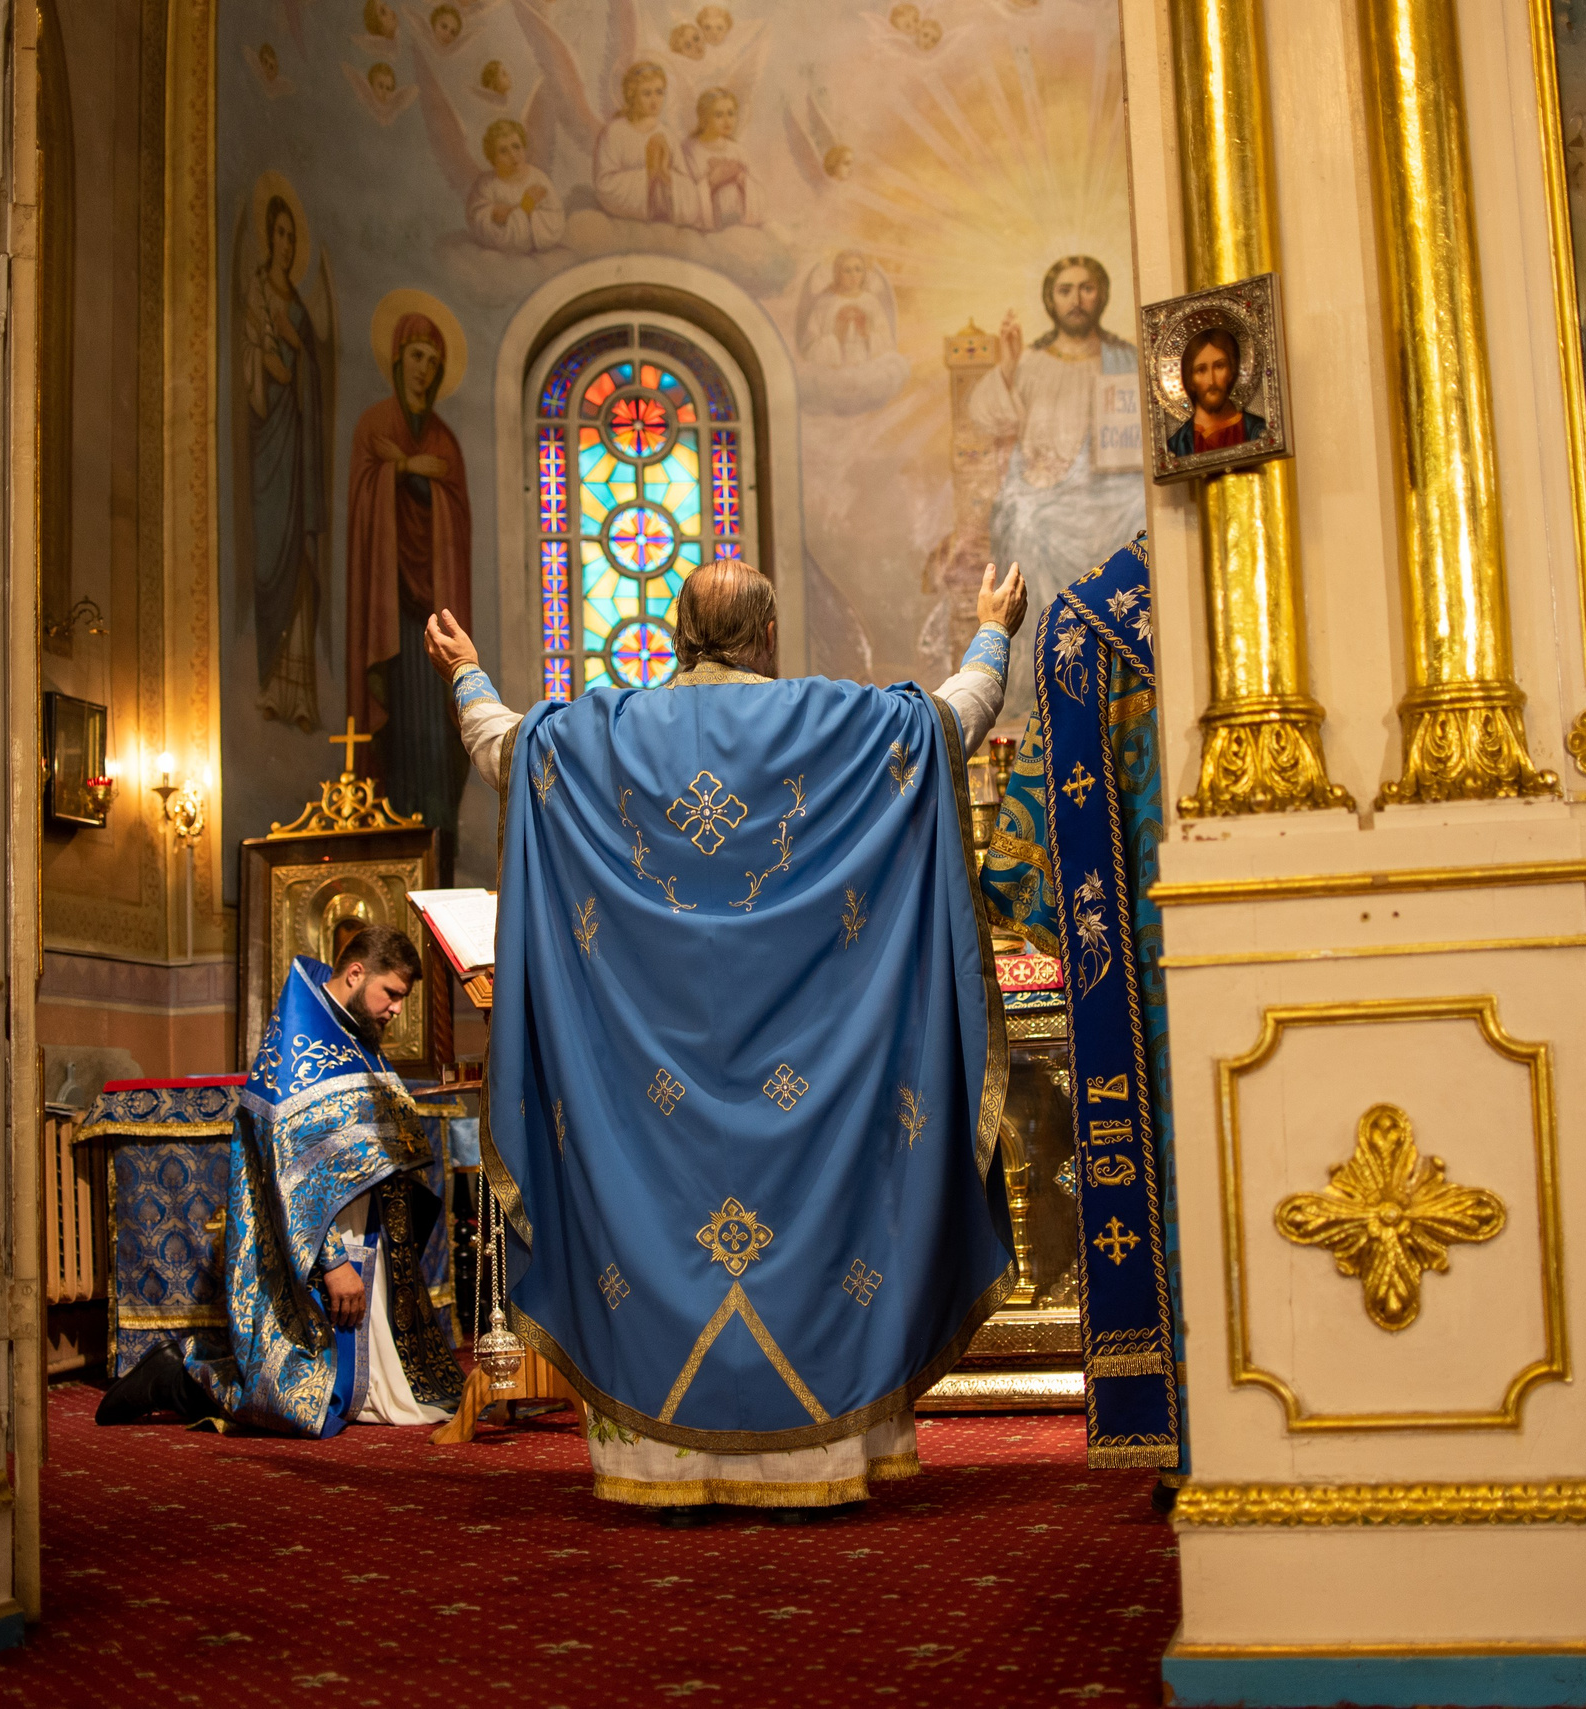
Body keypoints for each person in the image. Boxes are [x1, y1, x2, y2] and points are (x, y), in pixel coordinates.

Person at [423, 558, 1028, 1524]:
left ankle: (664, 1464)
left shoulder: (599, 737)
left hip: (646, 1083)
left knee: (648, 1213)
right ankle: (819, 1456)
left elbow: (505, 748)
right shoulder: (841, 725)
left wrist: (468, 673)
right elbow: (952, 723)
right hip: (815, 1078)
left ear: (678, 636)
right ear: (768, 636)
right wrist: (995, 629)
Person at [98, 922, 464, 1433]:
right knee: (295, 1400)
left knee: (388, 1396)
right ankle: (178, 1378)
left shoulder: (353, 1031)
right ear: (356, 973)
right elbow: (289, 1170)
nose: (397, 1008)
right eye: (393, 994)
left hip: (367, 1228)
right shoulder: (301, 1038)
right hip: (315, 1241)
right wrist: (333, 1261)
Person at [965, 255, 1146, 711]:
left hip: (1109, 488)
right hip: (1043, 488)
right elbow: (989, 415)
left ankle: (1130, 665)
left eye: (1087, 288)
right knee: (1024, 520)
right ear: (1051, 299)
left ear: (1101, 294)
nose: (1077, 299)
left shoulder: (1124, 356)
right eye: (1066, 289)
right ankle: (1049, 671)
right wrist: (1006, 367)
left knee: (1144, 507)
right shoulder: (1031, 361)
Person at [346, 308, 473, 879]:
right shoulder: (375, 424)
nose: (425, 369)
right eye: (417, 356)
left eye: (434, 361)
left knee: (438, 739)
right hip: (390, 613)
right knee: (398, 732)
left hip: (434, 616)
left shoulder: (445, 439)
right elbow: (363, 505)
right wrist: (397, 473)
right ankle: (394, 849)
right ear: (398, 359)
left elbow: (455, 526)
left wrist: (424, 475)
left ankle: (439, 853)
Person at [242, 194, 327, 726]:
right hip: (265, 437)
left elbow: (308, 372)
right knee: (270, 549)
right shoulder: (255, 292)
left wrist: (294, 346)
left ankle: (295, 692)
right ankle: (271, 683)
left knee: (297, 558)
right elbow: (258, 357)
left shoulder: (295, 303)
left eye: (292, 237)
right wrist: (269, 357)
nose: (286, 244)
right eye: (279, 233)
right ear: (266, 238)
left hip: (293, 439)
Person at [592, 60, 704, 227]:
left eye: (659, 92)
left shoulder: (667, 134)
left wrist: (665, 175)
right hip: (627, 217)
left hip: (665, 215)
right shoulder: (614, 132)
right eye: (647, 93)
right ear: (632, 95)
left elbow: (688, 188)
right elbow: (604, 185)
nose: (655, 100)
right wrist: (650, 175)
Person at [465, 118, 565, 253]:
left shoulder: (538, 179)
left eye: (516, 146)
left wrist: (524, 214)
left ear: (524, 147)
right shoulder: (486, 184)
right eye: (503, 151)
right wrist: (521, 210)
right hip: (498, 255)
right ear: (493, 157)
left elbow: (555, 219)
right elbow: (478, 220)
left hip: (538, 253)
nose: (513, 155)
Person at [1164, 323, 1264, 458]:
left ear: (1232, 371)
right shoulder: (1176, 446)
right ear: (1190, 379)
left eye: (1219, 366)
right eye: (1201, 370)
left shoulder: (1258, 431)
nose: (1211, 381)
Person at [682, 89, 756, 229]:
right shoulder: (689, 149)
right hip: (704, 227)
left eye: (731, 113)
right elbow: (684, 197)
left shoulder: (738, 151)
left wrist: (742, 180)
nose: (727, 120)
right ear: (704, 118)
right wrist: (710, 182)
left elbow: (759, 196)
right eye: (719, 115)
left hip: (739, 225)